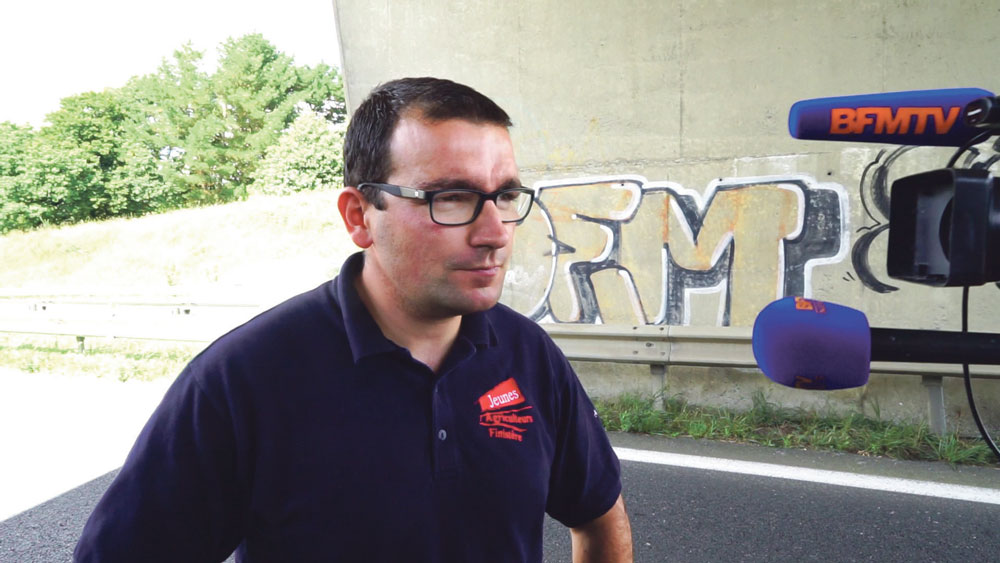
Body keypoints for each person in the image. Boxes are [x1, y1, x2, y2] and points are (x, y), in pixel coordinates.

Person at [75, 77, 632, 562]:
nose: (494, 232)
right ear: (359, 216)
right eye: (452, 197)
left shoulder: (529, 355)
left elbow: (599, 514)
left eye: (504, 195)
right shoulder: (241, 381)